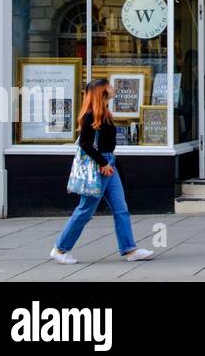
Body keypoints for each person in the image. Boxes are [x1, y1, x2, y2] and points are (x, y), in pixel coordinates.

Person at [50, 79, 156, 265]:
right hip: (100, 167)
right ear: (102, 91)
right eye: (109, 86)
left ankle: (130, 250)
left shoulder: (105, 113)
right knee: (85, 211)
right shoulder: (90, 116)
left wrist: (110, 164)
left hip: (109, 165)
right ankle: (60, 249)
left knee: (121, 209)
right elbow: (84, 144)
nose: (113, 88)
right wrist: (103, 163)